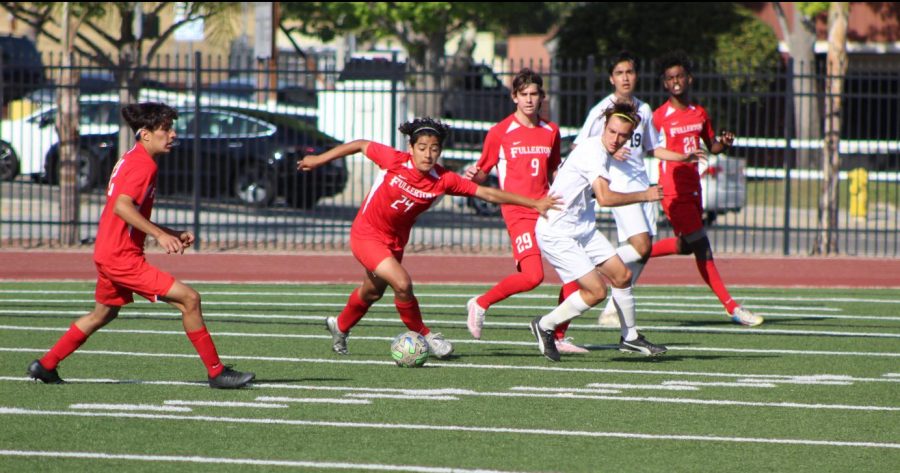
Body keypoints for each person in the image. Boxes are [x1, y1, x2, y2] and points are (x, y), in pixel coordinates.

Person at [26, 102, 255, 389]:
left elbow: (128, 210)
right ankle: (216, 372)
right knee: (190, 299)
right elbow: (122, 206)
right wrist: (160, 236)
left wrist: (168, 231)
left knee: (103, 313)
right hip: (121, 257)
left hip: (109, 252)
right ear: (145, 134)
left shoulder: (133, 158)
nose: (172, 135)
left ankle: (45, 365)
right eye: (166, 129)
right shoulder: (143, 165)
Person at [298, 118, 560, 359]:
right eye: (422, 147)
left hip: (394, 242)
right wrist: (319, 160)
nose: (428, 153)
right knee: (402, 283)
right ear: (411, 147)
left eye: (434, 148)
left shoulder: (443, 180)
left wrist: (533, 203)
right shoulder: (394, 160)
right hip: (366, 234)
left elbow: (487, 194)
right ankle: (426, 335)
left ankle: (339, 325)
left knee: (371, 292)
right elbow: (360, 145)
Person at [530, 101, 667, 362]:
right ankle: (545, 325)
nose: (616, 139)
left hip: (582, 228)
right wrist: (645, 194)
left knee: (622, 275)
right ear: (604, 127)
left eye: (623, 135)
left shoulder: (601, 150)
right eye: (612, 132)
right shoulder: (594, 151)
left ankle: (630, 337)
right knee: (596, 292)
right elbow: (604, 198)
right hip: (558, 232)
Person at [461, 68, 575, 348]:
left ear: (542, 97)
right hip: (518, 213)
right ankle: (480, 303)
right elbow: (483, 173)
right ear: (514, 97)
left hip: (547, 210)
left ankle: (557, 336)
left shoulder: (551, 131)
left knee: (576, 274)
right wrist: (472, 175)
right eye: (523, 94)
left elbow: (552, 173)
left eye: (534, 94)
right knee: (533, 276)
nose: (529, 100)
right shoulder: (500, 132)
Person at [554, 52, 663, 343]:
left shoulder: (645, 109)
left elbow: (654, 148)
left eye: (630, 71)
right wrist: (610, 150)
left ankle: (616, 314)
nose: (625, 77)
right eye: (619, 72)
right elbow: (582, 147)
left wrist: (686, 156)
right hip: (619, 188)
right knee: (640, 247)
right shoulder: (602, 110)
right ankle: (599, 281)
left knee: (644, 252)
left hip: (640, 185)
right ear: (611, 78)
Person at [649, 52, 763, 326]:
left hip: (694, 188)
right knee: (702, 245)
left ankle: (633, 253)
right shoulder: (658, 117)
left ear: (689, 79)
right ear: (665, 84)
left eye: (679, 76)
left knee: (686, 245)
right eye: (670, 78)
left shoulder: (699, 113)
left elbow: (710, 145)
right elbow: (652, 149)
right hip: (673, 191)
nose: (675, 81)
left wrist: (724, 143)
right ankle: (732, 307)